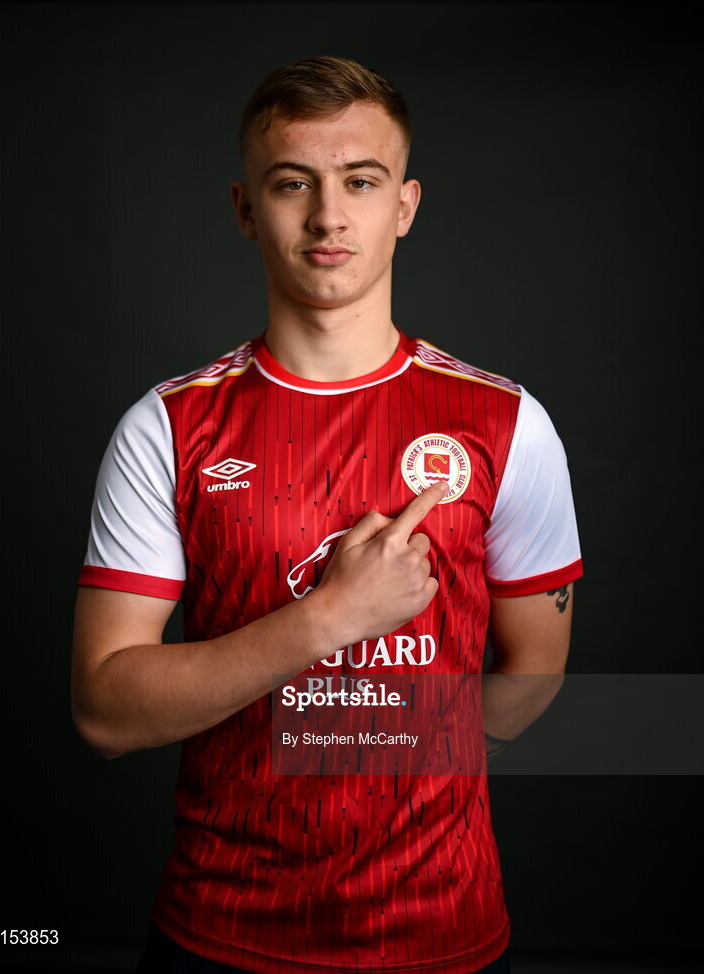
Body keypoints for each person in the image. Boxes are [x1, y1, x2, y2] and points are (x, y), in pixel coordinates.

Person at [72, 55, 582, 974]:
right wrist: (331, 618)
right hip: (219, 932)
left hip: (444, 929)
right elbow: (105, 711)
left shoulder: (507, 423)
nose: (327, 216)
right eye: (290, 183)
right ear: (243, 209)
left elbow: (535, 671)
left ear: (405, 206)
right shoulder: (170, 428)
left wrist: (410, 770)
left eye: (360, 180)